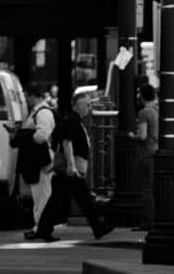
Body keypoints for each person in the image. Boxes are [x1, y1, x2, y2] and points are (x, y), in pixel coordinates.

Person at [31, 86, 115, 243]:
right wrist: (71, 166)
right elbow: (66, 142)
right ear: (78, 104)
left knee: (68, 201)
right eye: (87, 105)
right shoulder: (73, 120)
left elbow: (57, 139)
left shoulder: (72, 120)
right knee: (73, 201)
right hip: (71, 170)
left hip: (70, 170)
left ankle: (96, 228)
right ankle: (97, 227)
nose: (89, 108)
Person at [15, 85, 56, 233]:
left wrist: (25, 137)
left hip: (41, 160)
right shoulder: (38, 112)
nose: (26, 100)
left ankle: (41, 227)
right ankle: (39, 226)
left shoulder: (43, 112)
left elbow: (42, 135)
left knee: (42, 195)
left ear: (35, 97)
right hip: (39, 160)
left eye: (28, 97)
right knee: (38, 194)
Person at [130, 81, 159, 232]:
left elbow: (142, 136)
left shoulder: (144, 113)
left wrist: (131, 136)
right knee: (153, 188)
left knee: (146, 189)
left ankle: (148, 221)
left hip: (146, 153)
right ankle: (154, 219)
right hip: (157, 152)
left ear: (141, 96)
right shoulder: (157, 111)